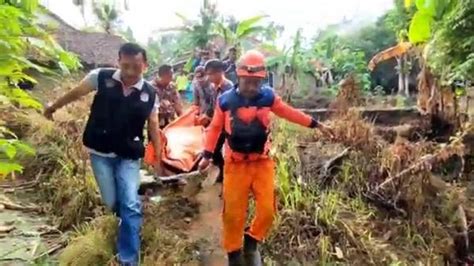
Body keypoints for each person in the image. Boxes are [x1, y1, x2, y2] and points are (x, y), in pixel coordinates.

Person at [198, 50, 334, 266]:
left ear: (262, 80)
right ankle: (234, 252)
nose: (252, 87)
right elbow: (215, 128)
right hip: (235, 165)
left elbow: (290, 113)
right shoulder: (225, 101)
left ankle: (252, 240)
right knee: (233, 214)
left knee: (268, 211)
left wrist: (316, 124)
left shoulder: (268, 97)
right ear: (239, 77)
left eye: (256, 82)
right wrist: (206, 154)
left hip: (262, 163)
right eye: (247, 81)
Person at [44, 43, 161, 266]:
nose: (130, 72)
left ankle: (129, 258)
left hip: (128, 154)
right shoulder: (100, 77)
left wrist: (158, 157)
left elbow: (153, 126)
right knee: (112, 201)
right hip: (100, 152)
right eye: (125, 66)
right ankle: (126, 224)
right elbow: (74, 94)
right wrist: (52, 108)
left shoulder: (150, 93)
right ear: (118, 61)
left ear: (145, 65)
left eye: (136, 67)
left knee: (129, 202)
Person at [204, 59, 234, 183]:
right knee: (215, 150)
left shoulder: (229, 88)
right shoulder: (214, 87)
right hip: (217, 124)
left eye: (210, 74)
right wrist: (207, 115)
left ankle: (228, 176)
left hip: (228, 125)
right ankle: (221, 172)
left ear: (219, 72)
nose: (209, 77)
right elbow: (212, 105)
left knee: (227, 151)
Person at [151, 64, 183, 128]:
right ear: (162, 75)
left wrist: (182, 118)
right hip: (156, 122)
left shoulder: (172, 86)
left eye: (172, 75)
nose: (172, 78)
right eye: (170, 76)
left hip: (170, 121)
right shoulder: (151, 88)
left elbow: (177, 103)